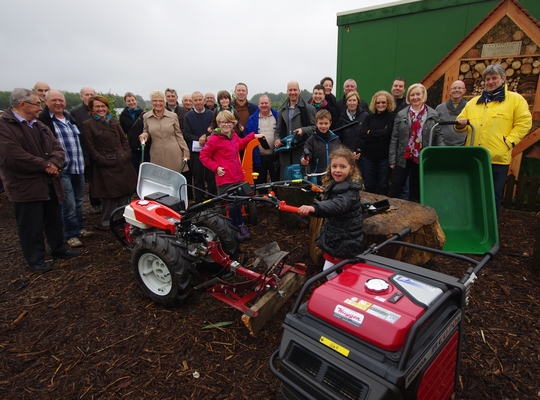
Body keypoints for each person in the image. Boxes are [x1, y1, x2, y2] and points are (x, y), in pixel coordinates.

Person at [0, 88, 80, 273]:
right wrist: (45, 165)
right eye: (37, 104)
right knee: (31, 223)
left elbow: (57, 148)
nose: (40, 107)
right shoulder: (5, 126)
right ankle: (35, 259)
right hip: (25, 185)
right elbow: (13, 156)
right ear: (22, 105)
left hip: (49, 181)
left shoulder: (38, 125)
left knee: (53, 218)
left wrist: (54, 163)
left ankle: (58, 248)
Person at [455, 64, 532, 215]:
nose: (490, 82)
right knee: (472, 193)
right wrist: (459, 124)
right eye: (488, 79)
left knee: (493, 196)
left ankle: (491, 230)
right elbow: (460, 123)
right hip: (474, 157)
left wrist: (509, 142)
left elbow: (524, 123)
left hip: (496, 158)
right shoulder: (474, 102)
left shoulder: (515, 100)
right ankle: (473, 224)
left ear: (503, 79)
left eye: (494, 78)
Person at [297, 146, 363, 280]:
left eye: (342, 167)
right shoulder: (335, 184)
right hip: (336, 237)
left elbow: (337, 205)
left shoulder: (351, 191)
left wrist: (314, 208)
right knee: (328, 269)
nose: (337, 170)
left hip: (346, 241)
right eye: (334, 166)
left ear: (351, 169)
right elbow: (330, 199)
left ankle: (344, 294)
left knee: (349, 275)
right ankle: (335, 289)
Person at [39, 89, 93, 248]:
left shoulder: (70, 118)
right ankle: (71, 235)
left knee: (78, 201)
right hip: (62, 169)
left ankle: (80, 228)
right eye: (54, 100)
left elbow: (80, 141)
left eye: (60, 100)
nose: (58, 103)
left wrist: (84, 160)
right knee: (67, 203)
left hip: (78, 166)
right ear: (46, 102)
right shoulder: (44, 120)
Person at [200, 110, 264, 241]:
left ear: (233, 123)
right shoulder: (215, 139)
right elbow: (203, 156)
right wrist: (216, 167)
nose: (226, 125)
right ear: (218, 123)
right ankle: (233, 227)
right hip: (225, 178)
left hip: (238, 177)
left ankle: (240, 225)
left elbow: (240, 144)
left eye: (229, 122)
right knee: (230, 205)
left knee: (238, 203)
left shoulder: (233, 136)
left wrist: (253, 136)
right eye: (223, 122)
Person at [81, 95, 137, 230]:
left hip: (121, 161)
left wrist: (126, 154)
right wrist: (101, 159)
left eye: (103, 106)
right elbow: (90, 147)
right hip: (104, 163)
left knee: (124, 191)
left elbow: (124, 140)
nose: (101, 109)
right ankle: (107, 220)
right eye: (97, 107)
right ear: (92, 109)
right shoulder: (88, 125)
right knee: (108, 194)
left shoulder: (113, 122)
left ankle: (125, 218)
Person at [388, 83, 444, 201]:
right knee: (396, 185)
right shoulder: (401, 114)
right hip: (404, 155)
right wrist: (392, 159)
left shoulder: (433, 114)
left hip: (422, 156)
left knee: (416, 187)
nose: (415, 97)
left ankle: (414, 214)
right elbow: (394, 138)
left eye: (418, 94)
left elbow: (438, 136)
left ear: (423, 95)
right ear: (409, 97)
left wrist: (440, 155)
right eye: (412, 95)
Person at [139, 90, 190, 174]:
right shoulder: (146, 116)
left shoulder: (173, 116)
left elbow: (178, 135)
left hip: (173, 153)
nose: (158, 103)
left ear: (164, 102)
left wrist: (186, 151)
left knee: (175, 180)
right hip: (156, 154)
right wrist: (144, 135)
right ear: (151, 102)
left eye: (160, 101)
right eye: (155, 101)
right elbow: (146, 131)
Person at [274, 81, 317, 180]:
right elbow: (278, 130)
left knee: (301, 181)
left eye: (295, 90)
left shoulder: (309, 109)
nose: (292, 92)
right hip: (285, 152)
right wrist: (277, 139)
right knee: (286, 181)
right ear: (287, 92)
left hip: (301, 149)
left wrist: (303, 130)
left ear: (299, 91)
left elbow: (315, 128)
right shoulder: (281, 111)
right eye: (290, 90)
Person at [70, 86, 100, 214]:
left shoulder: (100, 111)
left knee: (101, 176)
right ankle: (95, 202)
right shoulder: (75, 112)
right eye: (86, 94)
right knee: (91, 178)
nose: (89, 96)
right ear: (81, 96)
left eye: (91, 94)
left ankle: (104, 200)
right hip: (85, 149)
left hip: (101, 149)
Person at [360, 90, 396, 195]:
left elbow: (387, 132)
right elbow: (362, 135)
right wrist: (380, 135)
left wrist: (370, 132)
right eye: (378, 102)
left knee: (383, 185)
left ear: (388, 103)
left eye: (383, 102)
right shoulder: (369, 117)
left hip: (384, 158)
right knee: (369, 185)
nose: (380, 105)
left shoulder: (392, 117)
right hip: (368, 158)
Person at [183, 91, 216, 203]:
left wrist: (206, 137)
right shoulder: (188, 116)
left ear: (204, 100)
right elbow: (186, 134)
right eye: (195, 100)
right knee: (198, 179)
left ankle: (212, 201)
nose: (198, 102)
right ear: (192, 102)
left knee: (211, 178)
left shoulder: (211, 114)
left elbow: (215, 130)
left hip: (210, 152)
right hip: (196, 152)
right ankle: (199, 202)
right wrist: (199, 139)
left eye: (200, 99)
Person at [245, 95, 280, 192]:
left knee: (276, 179)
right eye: (262, 103)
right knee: (260, 181)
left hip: (275, 155)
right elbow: (247, 135)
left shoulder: (277, 116)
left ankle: (277, 199)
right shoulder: (252, 119)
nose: (264, 105)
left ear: (270, 104)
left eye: (266, 103)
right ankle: (262, 200)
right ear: (258, 105)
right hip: (259, 156)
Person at [301, 110, 343, 185]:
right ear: (316, 123)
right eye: (321, 123)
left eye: (326, 123)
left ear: (330, 123)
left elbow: (342, 156)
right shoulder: (311, 140)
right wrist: (303, 160)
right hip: (317, 178)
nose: (323, 126)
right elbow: (305, 153)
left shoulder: (336, 140)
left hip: (333, 177)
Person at [336, 91, 368, 174]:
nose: (352, 103)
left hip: (362, 156)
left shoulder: (365, 116)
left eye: (354, 100)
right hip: (346, 156)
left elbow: (366, 137)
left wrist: (359, 151)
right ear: (346, 102)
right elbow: (340, 139)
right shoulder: (341, 119)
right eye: (349, 100)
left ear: (358, 102)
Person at [119, 92, 146, 174]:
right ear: (126, 102)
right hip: (132, 146)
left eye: (132, 100)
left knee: (144, 169)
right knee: (134, 170)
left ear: (136, 101)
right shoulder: (123, 116)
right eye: (128, 101)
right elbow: (122, 132)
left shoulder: (144, 114)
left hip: (144, 146)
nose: (131, 102)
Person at [435, 80, 467, 146]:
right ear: (450, 91)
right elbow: (435, 127)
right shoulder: (440, 107)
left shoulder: (469, 107)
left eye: (460, 88)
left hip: (464, 147)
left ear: (464, 91)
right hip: (443, 146)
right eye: (454, 88)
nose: (457, 90)